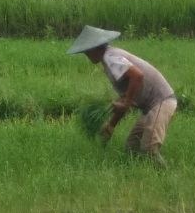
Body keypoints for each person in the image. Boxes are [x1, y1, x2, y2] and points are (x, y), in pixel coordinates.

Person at [67, 25, 177, 165]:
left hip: (161, 101)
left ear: (96, 48)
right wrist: (111, 125)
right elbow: (126, 97)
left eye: (87, 52)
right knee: (132, 149)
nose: (87, 55)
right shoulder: (109, 58)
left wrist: (125, 103)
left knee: (149, 148)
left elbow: (137, 76)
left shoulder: (110, 57)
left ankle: (166, 176)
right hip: (149, 108)